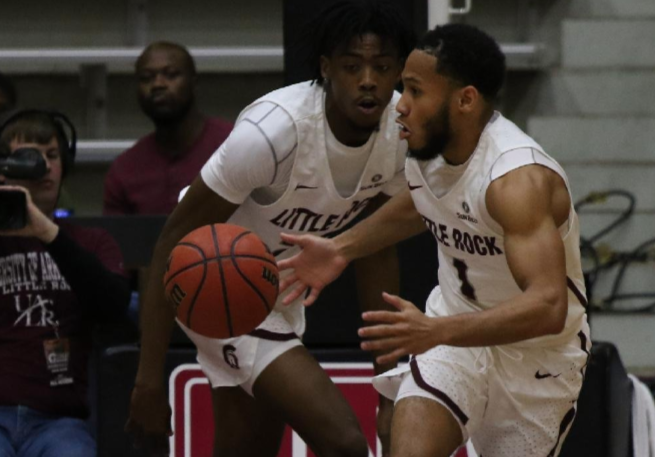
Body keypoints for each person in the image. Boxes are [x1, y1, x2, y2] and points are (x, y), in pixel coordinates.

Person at [278, 24, 591, 457]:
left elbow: (548, 306)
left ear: (465, 100)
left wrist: (435, 329)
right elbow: (420, 202)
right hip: (451, 340)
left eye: (414, 91)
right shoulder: (430, 146)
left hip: (534, 359)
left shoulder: (516, 181)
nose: (399, 105)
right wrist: (341, 247)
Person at [125, 1, 415, 455]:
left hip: (276, 286)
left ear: (399, 70)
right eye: (351, 65)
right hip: (213, 278)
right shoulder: (271, 135)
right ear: (326, 69)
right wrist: (147, 379)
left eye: (381, 67)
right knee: (345, 442)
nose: (367, 79)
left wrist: (388, 388)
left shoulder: (401, 135)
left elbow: (375, 249)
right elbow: (170, 242)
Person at [0, 110, 131, 456]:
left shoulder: (91, 241)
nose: (43, 166)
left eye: (52, 155)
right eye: (28, 157)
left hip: (58, 422)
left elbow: (114, 303)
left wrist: (46, 231)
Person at [103, 41, 233, 215]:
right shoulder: (124, 169)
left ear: (193, 82)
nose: (158, 84)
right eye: (146, 78)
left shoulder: (232, 146)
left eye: (171, 75)